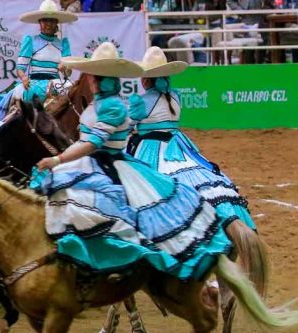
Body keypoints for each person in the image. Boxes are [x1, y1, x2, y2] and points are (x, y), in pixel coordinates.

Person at [32, 42, 231, 281]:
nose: (91, 81)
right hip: (173, 142)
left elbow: (94, 142)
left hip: (119, 156)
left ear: (99, 79)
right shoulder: (168, 96)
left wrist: (59, 159)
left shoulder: (121, 104)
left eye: (93, 77)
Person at [127, 46, 255, 230]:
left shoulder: (140, 101)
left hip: (151, 146)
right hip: (178, 144)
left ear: (145, 78)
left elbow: (127, 125)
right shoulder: (175, 97)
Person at [13, 0, 77, 103]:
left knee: (72, 89)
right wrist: (24, 78)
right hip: (35, 84)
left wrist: (65, 68)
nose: (48, 24)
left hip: (56, 84)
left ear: (56, 23)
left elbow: (68, 73)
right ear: (40, 22)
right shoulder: (31, 41)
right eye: (45, 21)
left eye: (52, 21)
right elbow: (20, 68)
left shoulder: (63, 43)